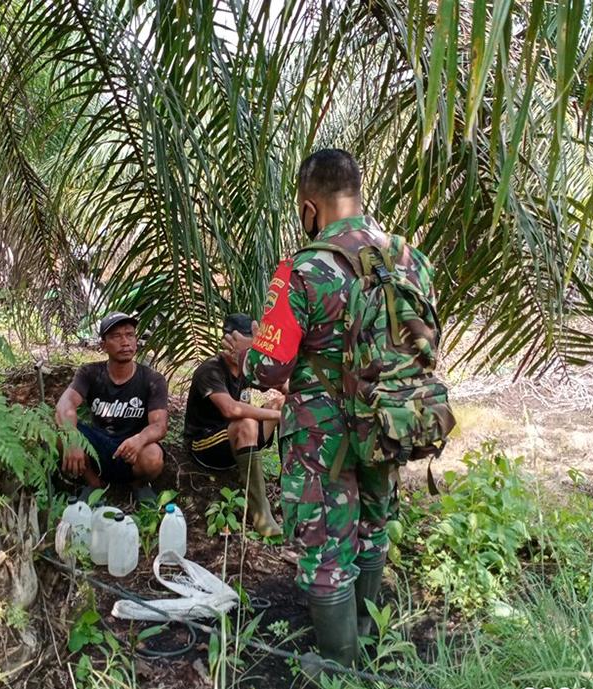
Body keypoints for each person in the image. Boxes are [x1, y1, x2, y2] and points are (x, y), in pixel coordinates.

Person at [225, 149, 451, 667]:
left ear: (310, 207)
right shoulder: (410, 258)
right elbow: (423, 344)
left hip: (320, 437)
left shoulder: (302, 269)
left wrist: (250, 351)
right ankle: (369, 641)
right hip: (387, 422)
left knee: (327, 549)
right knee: (373, 528)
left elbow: (267, 373)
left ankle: (340, 667)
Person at [183, 313, 283, 537]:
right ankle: (261, 513)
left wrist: (276, 375)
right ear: (227, 341)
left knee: (283, 403)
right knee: (247, 420)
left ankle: (289, 483)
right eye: (242, 341)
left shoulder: (249, 367)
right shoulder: (210, 370)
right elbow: (230, 409)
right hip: (206, 444)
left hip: (239, 438)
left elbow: (285, 386)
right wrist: (276, 416)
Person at [55, 312, 168, 504]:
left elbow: (159, 426)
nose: (125, 342)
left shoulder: (152, 379)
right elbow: (65, 404)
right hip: (98, 445)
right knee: (60, 435)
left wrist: (140, 439)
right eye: (116, 336)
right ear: (103, 345)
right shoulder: (89, 373)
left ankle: (139, 485)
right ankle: (94, 485)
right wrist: (72, 438)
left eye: (130, 335)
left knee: (154, 456)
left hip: (132, 448)